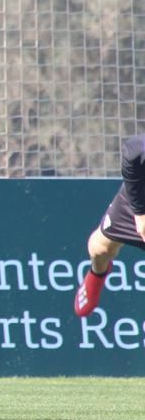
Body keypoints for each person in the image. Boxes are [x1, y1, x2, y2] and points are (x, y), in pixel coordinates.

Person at [73, 135, 145, 317]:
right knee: (99, 248)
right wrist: (140, 215)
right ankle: (98, 272)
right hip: (139, 203)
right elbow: (132, 151)